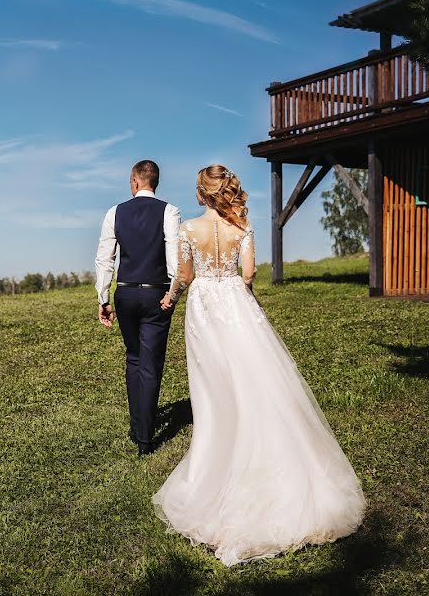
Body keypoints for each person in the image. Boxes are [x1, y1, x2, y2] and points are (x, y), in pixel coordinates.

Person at [151, 163, 366, 566]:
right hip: (235, 303)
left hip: (203, 308)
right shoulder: (242, 228)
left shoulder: (188, 230)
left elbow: (183, 273)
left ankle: (218, 468)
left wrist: (172, 296)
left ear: (201, 194)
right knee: (257, 381)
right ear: (225, 191)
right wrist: (238, 288)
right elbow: (248, 274)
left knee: (213, 393)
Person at [94, 160, 181, 455]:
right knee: (151, 364)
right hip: (157, 294)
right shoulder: (169, 211)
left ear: (134, 181)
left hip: (126, 294)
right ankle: (145, 440)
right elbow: (174, 258)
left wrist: (103, 298)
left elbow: (105, 259)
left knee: (133, 359)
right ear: (155, 181)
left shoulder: (114, 213)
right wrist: (173, 294)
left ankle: (137, 427)